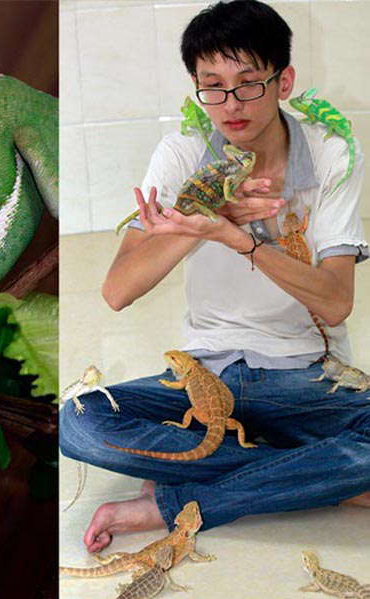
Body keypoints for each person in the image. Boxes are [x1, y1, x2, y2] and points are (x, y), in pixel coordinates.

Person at [59, 0, 369, 555]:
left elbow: (337, 301)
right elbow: (116, 290)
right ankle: (310, 474)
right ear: (196, 88)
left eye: (249, 83)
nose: (231, 104)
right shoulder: (182, 154)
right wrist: (213, 219)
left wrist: (242, 241)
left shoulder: (330, 154)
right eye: (213, 86)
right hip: (205, 376)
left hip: (306, 377)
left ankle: (169, 503)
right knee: (78, 423)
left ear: (284, 81)